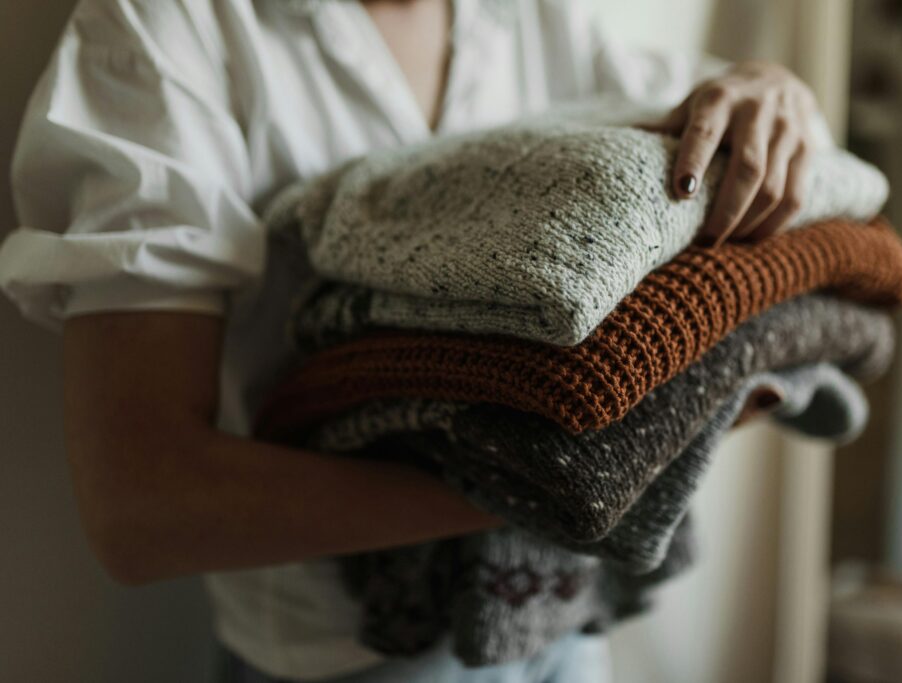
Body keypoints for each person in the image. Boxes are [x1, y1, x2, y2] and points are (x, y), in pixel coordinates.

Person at [0, 0, 829, 680]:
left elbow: (714, 128)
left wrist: (770, 88)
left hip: (564, 627)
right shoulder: (164, 29)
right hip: (347, 657)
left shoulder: (533, 18)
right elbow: (143, 507)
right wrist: (557, 480)